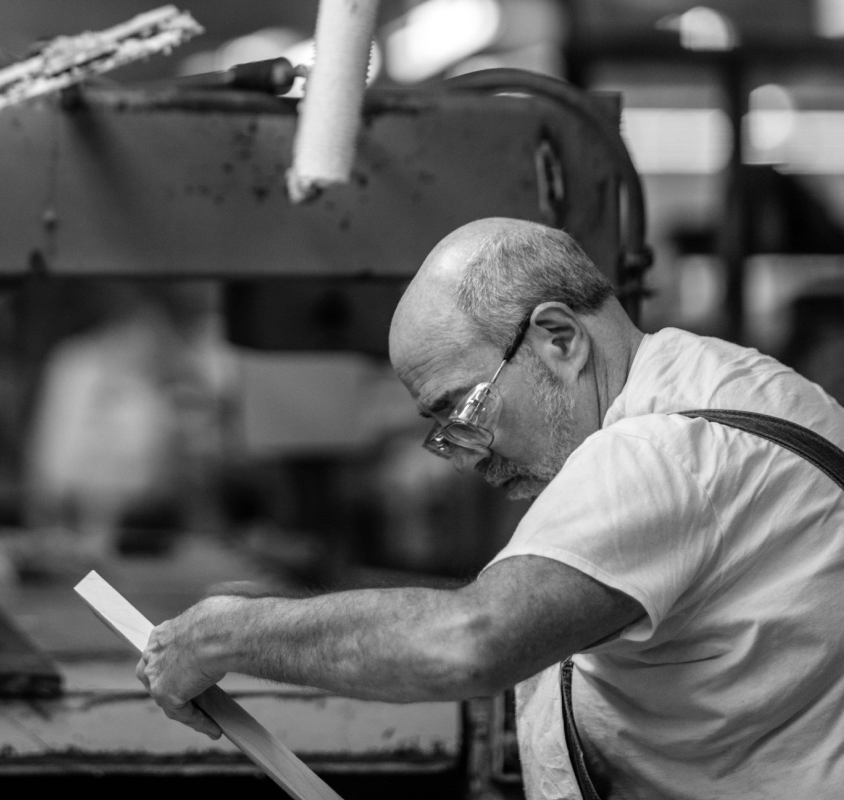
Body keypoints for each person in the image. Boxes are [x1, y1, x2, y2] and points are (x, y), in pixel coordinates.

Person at [137, 218, 844, 799]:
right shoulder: (725, 381)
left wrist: (228, 633)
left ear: (559, 339)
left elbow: (470, 642)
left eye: (464, 409)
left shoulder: (660, 451)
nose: (466, 455)